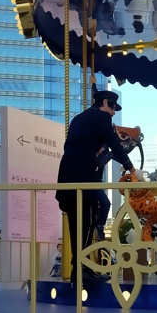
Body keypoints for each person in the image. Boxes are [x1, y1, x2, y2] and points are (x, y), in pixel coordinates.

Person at [55, 88, 138, 281]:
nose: (114, 112)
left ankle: (79, 268)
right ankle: (81, 268)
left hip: (66, 176)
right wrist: (131, 168)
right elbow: (115, 145)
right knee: (88, 220)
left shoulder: (80, 118)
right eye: (113, 108)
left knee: (77, 224)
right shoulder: (102, 118)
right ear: (106, 103)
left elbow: (77, 145)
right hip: (83, 178)